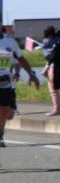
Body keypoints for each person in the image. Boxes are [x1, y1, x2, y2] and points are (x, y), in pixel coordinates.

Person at [0, 27, 41, 155]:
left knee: (7, 113)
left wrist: (32, 74)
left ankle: (0, 133)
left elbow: (21, 59)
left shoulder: (9, 42)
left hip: (5, 83)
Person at [41, 26, 60, 116]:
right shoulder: (59, 40)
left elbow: (48, 56)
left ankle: (57, 109)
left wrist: (46, 66)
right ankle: (59, 108)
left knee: (53, 89)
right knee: (55, 89)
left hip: (53, 66)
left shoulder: (47, 41)